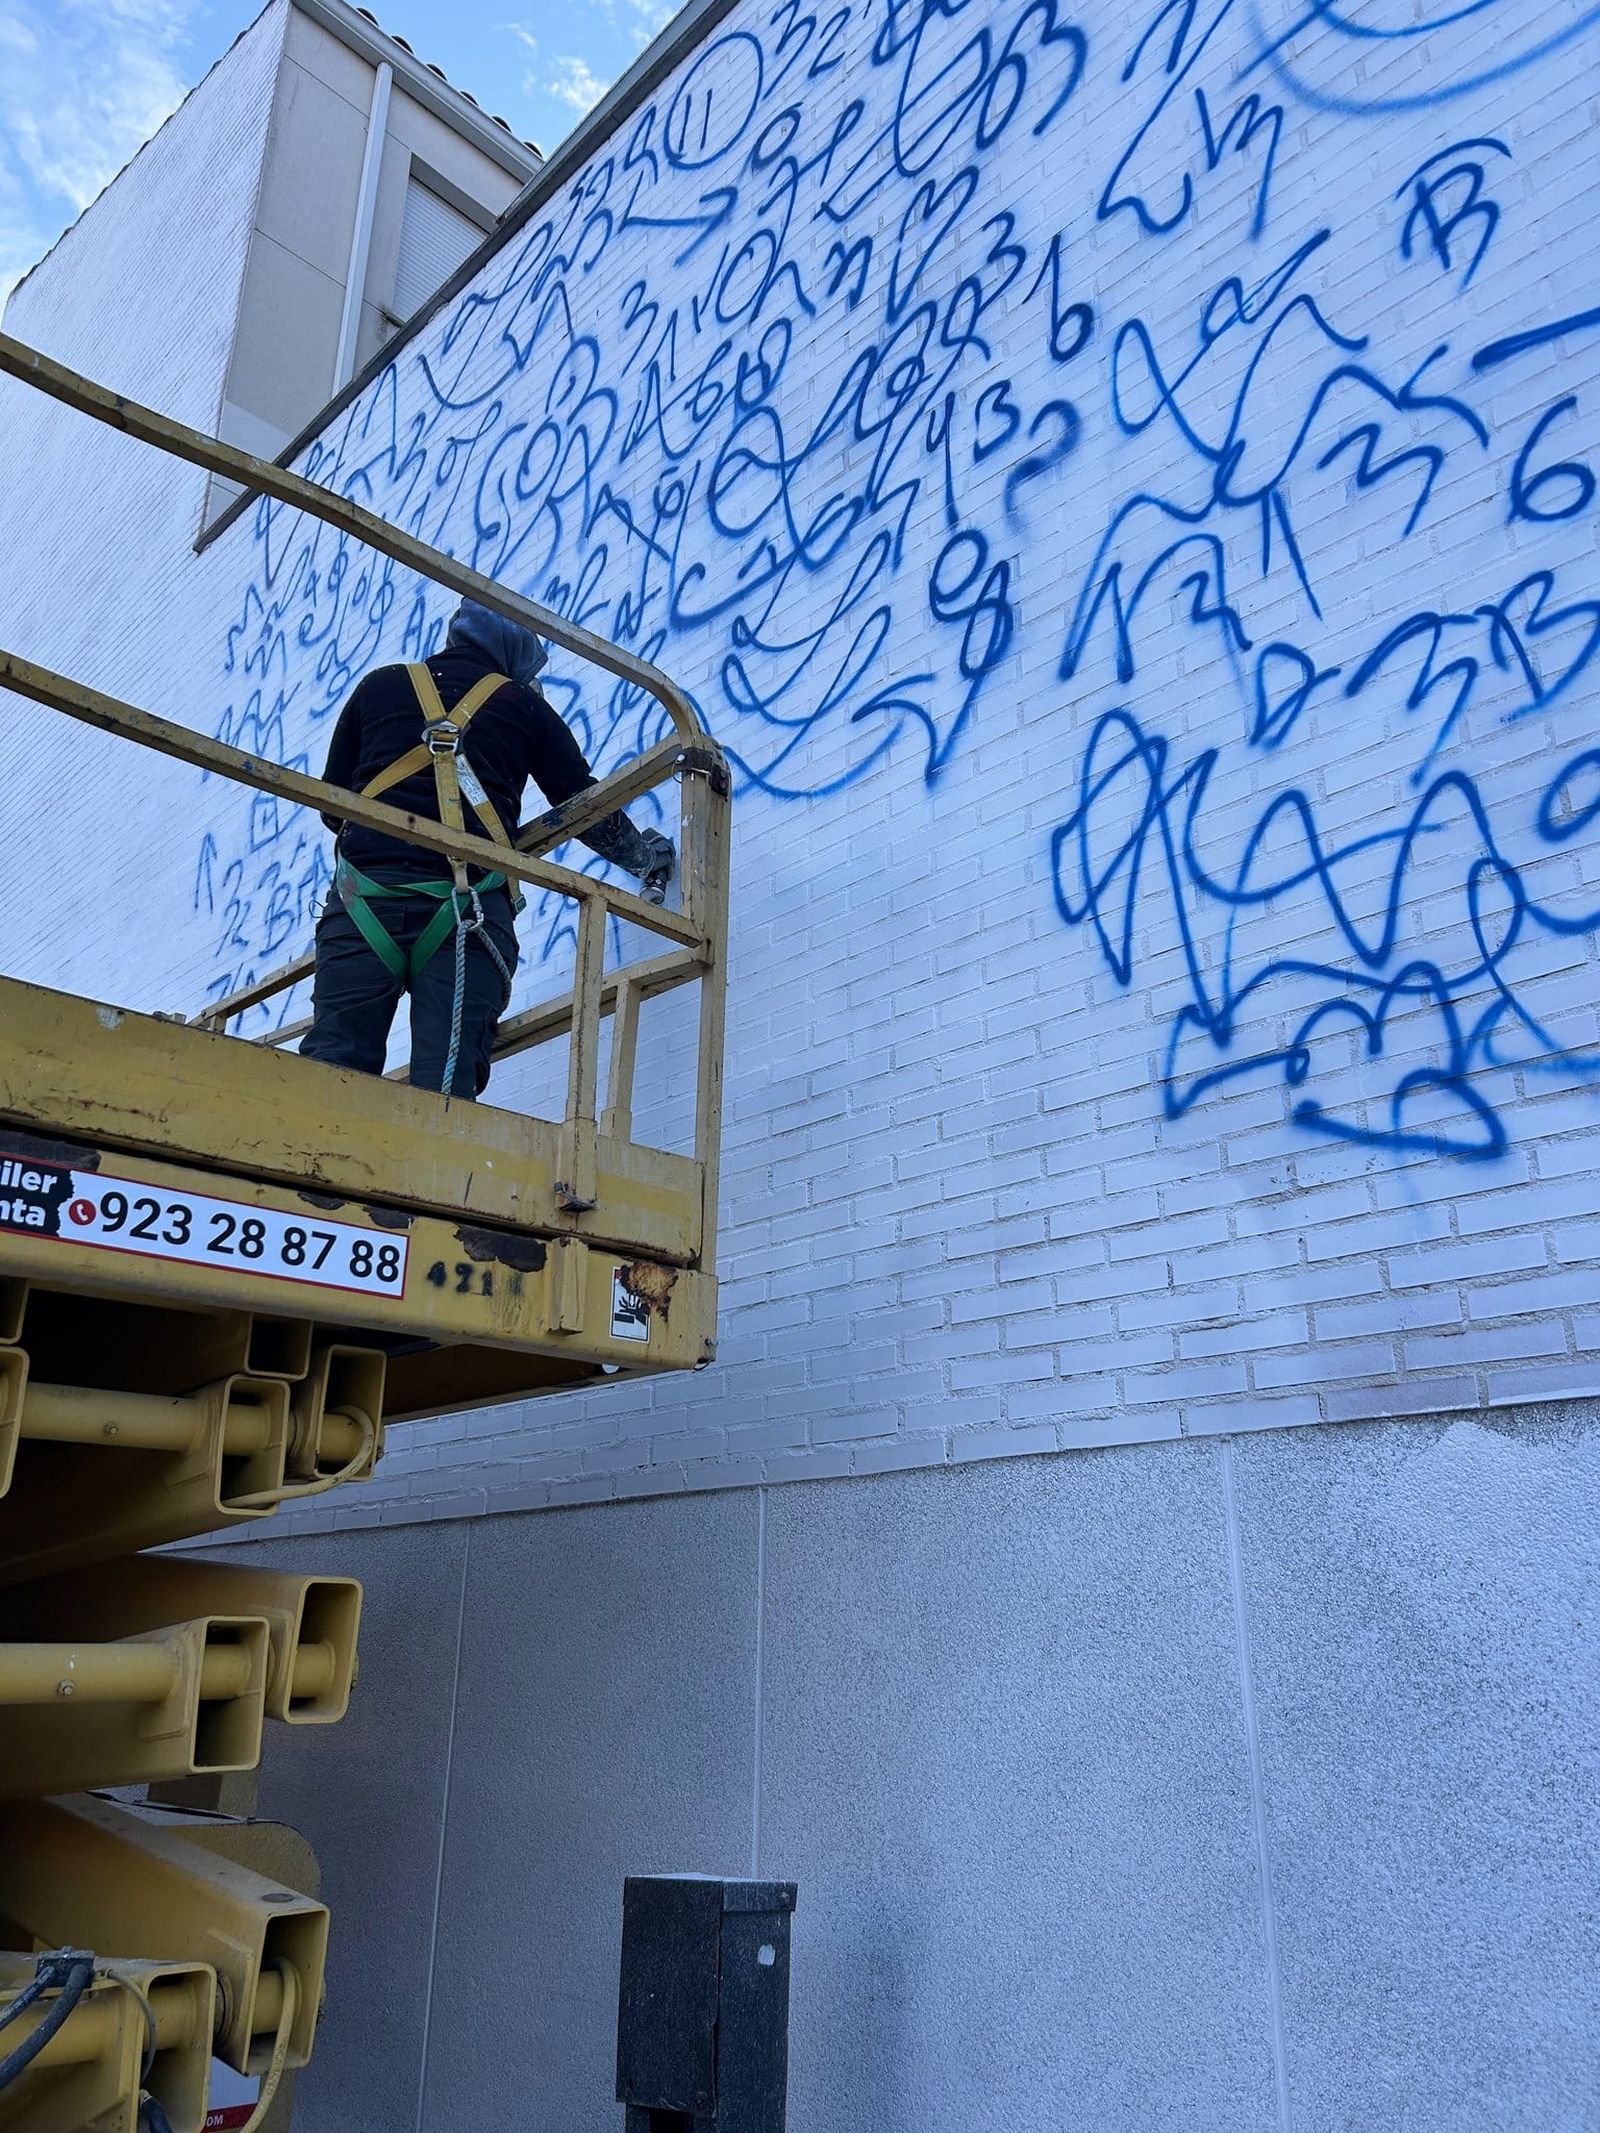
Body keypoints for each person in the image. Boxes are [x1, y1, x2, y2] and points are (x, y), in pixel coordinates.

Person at [301, 598, 674, 1099]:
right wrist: (646, 858)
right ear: (515, 655)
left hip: (362, 905)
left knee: (331, 1075)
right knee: (447, 1091)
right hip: (465, 916)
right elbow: (584, 807)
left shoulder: (380, 685)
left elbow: (333, 807)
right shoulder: (524, 707)